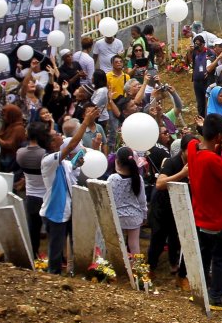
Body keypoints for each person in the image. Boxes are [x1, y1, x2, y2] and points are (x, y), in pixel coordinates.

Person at [186, 114, 222, 310]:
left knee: (204, 257)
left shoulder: (192, 148)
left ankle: (200, 291)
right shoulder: (212, 160)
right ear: (220, 135)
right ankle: (217, 297)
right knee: (220, 259)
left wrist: (219, 139)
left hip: (200, 216)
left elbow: (203, 142)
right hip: (219, 220)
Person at [40, 107, 99, 274]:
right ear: (52, 143)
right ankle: (53, 275)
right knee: (56, 247)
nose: (60, 136)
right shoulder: (48, 160)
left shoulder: (62, 161)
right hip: (55, 211)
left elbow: (70, 168)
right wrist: (86, 122)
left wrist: (77, 163)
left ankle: (73, 271)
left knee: (73, 242)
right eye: (56, 136)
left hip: (67, 208)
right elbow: (72, 143)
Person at [148, 134, 192, 290]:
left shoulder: (197, 163)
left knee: (177, 238)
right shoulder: (172, 163)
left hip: (180, 207)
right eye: (190, 150)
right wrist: (182, 174)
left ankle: (178, 272)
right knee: (158, 239)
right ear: (183, 150)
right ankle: (150, 268)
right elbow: (160, 183)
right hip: (162, 206)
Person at [16, 122, 47, 258]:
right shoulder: (45, 155)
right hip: (47, 195)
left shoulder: (20, 153)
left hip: (31, 195)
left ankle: (33, 254)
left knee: (33, 228)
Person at [109, 146, 148, 255]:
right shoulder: (138, 178)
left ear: (117, 161)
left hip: (117, 216)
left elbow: (109, 198)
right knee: (134, 244)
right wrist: (144, 215)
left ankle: (120, 267)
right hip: (134, 216)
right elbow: (142, 200)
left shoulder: (112, 178)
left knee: (118, 245)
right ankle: (138, 268)